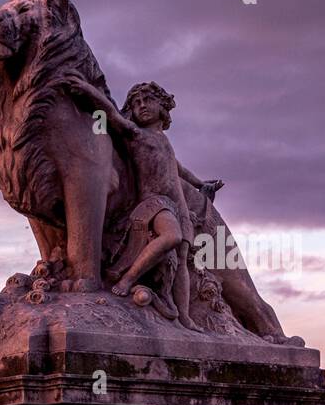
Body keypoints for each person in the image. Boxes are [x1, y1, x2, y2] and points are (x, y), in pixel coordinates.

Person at [59, 76, 223, 330]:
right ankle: (128, 279)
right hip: (154, 204)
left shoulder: (164, 141)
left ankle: (184, 317)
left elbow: (178, 169)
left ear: (163, 106)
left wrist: (202, 184)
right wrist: (90, 93)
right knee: (171, 237)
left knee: (181, 261)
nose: (142, 106)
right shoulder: (136, 135)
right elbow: (112, 115)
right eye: (136, 103)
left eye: (148, 100)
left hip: (178, 207)